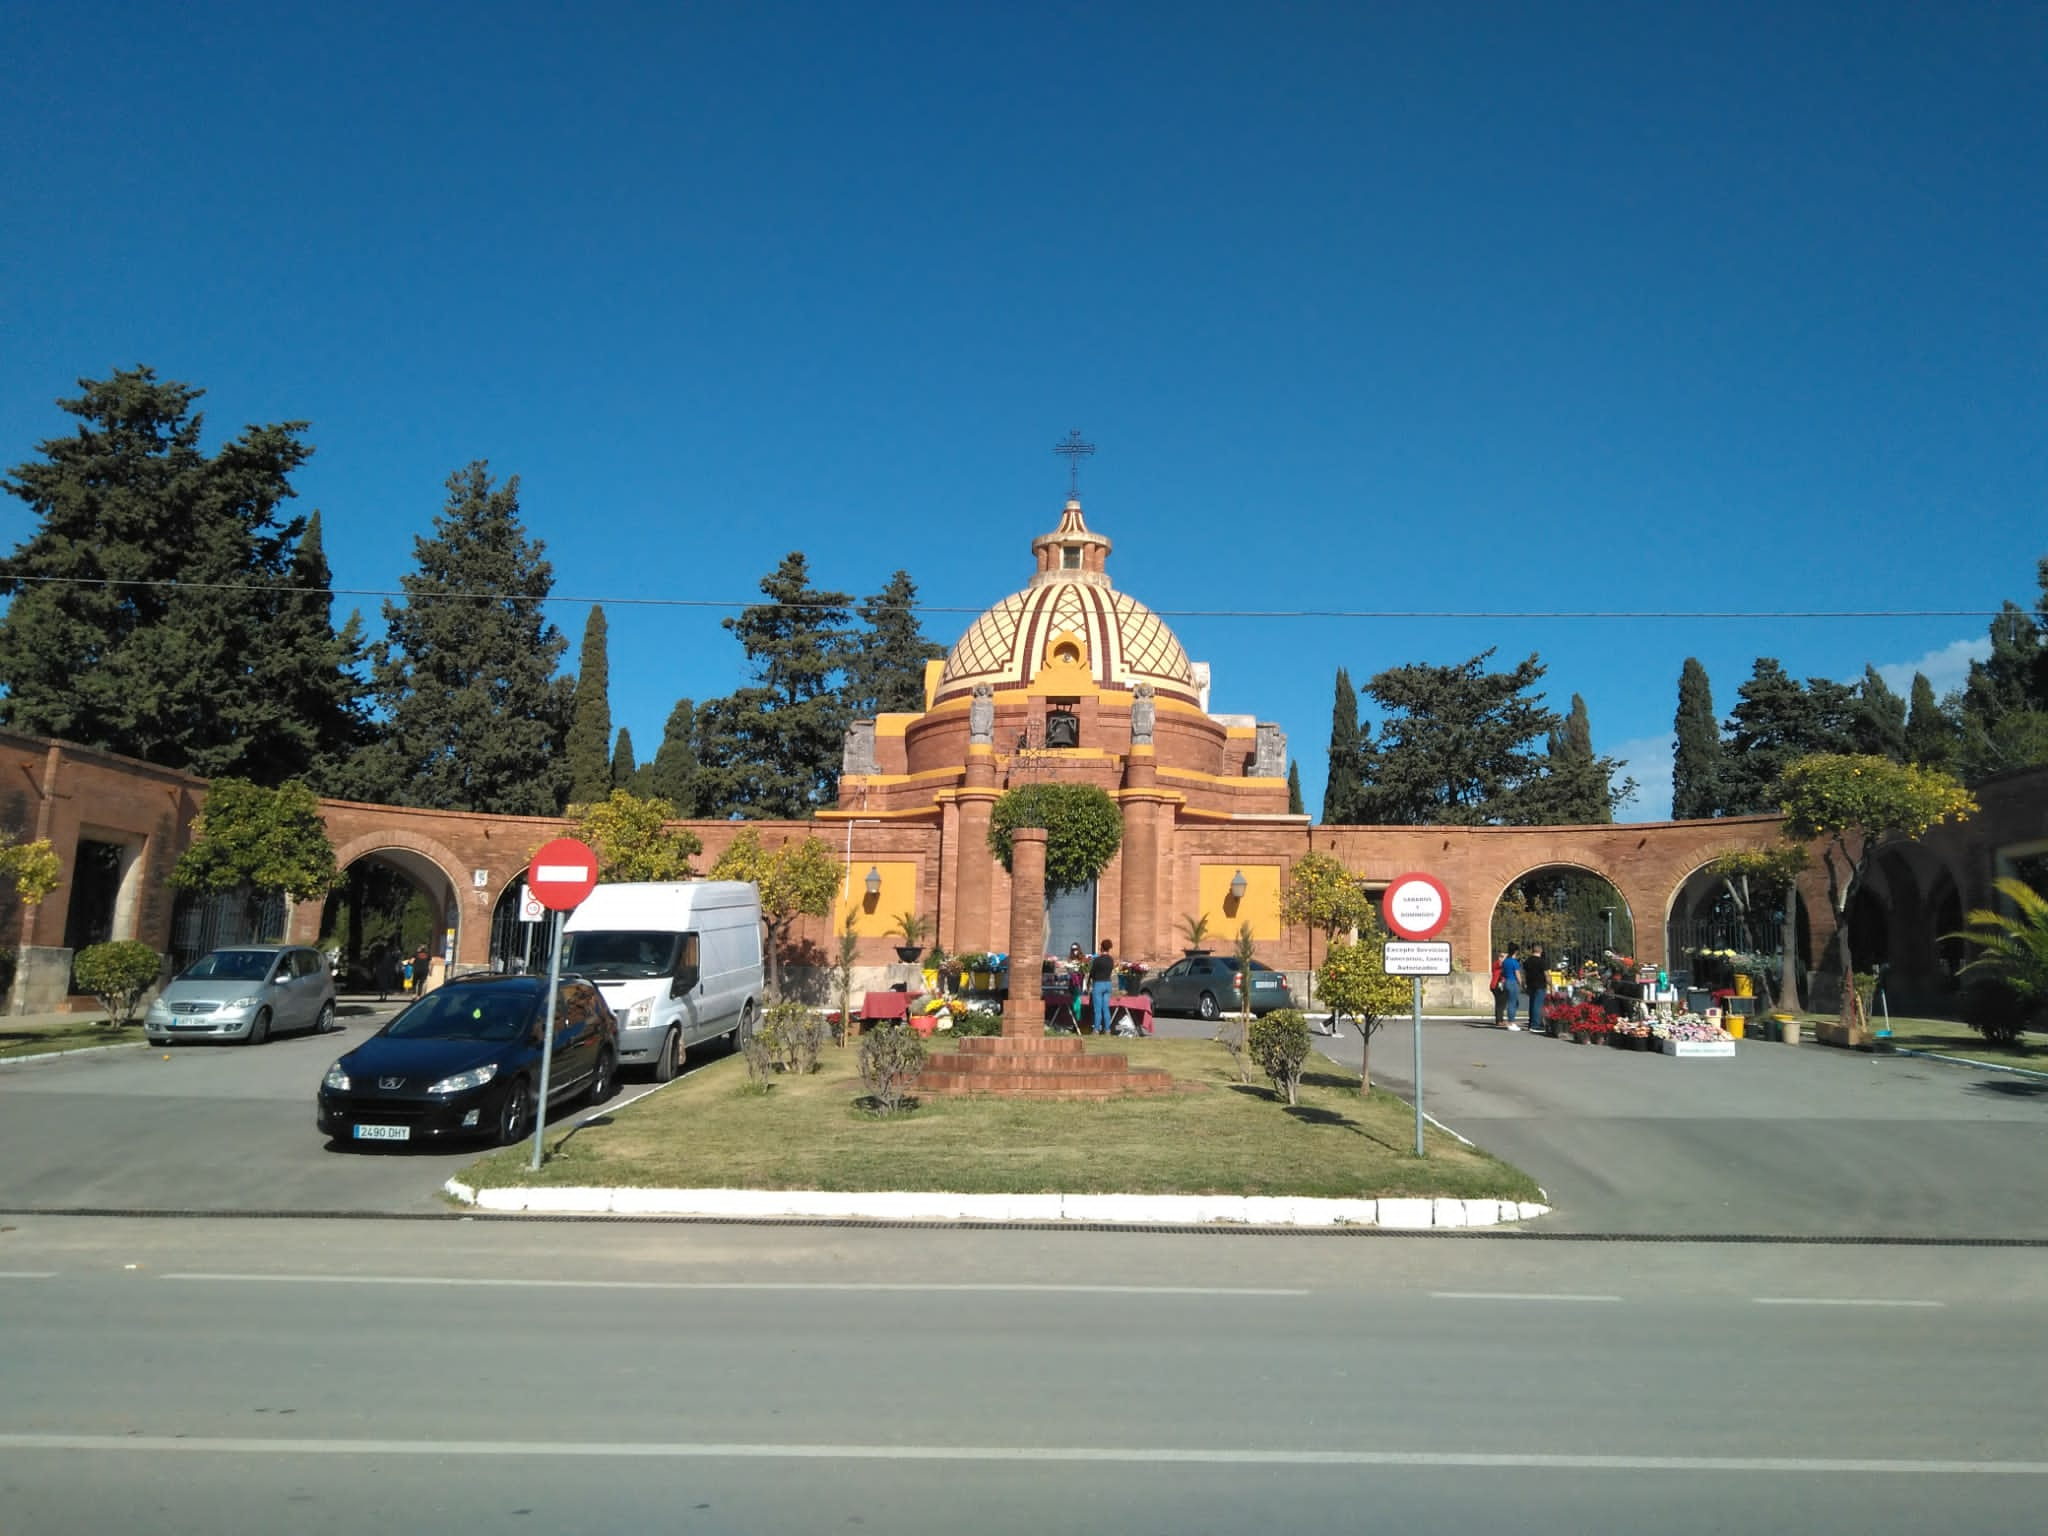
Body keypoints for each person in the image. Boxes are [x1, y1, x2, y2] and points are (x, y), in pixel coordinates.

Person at [1088, 939, 1116, 1036]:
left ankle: (1096, 1029)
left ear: (1101, 947)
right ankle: (1107, 1030)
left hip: (1098, 984)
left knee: (1098, 1009)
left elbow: (1092, 973)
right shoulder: (1111, 960)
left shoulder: (1097, 960)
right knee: (1106, 1008)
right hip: (1108, 983)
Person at [1526, 944, 1549, 1035]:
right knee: (1538, 1005)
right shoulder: (1542, 962)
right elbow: (1546, 974)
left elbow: (1525, 973)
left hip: (1531, 984)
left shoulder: (1527, 961)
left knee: (1532, 1004)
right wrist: (1550, 984)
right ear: (1540, 951)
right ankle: (1535, 1025)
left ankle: (1531, 1022)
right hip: (1540, 984)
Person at [1500, 944, 1523, 1030]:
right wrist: (1521, 983)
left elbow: (1503, 972)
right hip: (1513, 982)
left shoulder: (1505, 961)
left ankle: (1511, 1020)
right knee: (1512, 1003)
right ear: (1516, 951)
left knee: (1512, 1002)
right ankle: (1511, 1022)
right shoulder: (1514, 962)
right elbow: (1517, 974)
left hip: (1506, 981)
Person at [1489, 949, 1508, 1026]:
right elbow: (1501, 965)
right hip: (1496, 985)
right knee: (1500, 1003)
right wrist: (1504, 958)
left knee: (1501, 1003)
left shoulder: (1502, 964)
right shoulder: (1496, 963)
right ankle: (1499, 1020)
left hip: (1501, 985)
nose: (1503, 958)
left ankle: (1500, 1019)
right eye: (1501, 956)